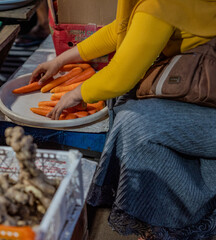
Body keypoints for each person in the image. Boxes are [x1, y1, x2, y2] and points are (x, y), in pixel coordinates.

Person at [31, 0, 216, 239]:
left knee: (133, 123)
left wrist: (76, 94)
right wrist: (61, 60)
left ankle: (180, 220)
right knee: (122, 103)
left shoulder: (160, 4)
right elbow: (121, 29)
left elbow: (121, 75)